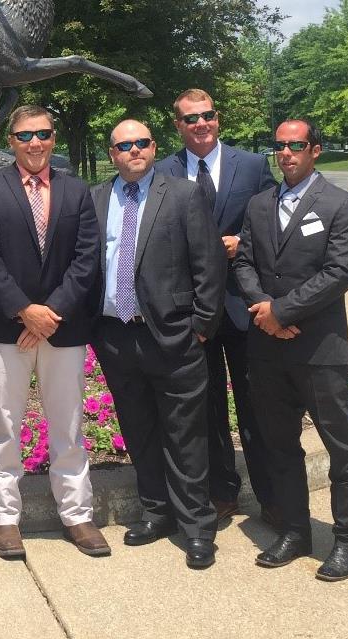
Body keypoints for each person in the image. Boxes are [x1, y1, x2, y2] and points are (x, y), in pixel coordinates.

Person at [0, 105, 108, 559]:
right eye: (25, 135)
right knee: (4, 424)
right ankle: (4, 517)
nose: (35, 143)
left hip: (63, 328)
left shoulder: (76, 190)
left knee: (67, 423)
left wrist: (51, 312)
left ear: (53, 139)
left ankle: (76, 514)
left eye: (43, 134)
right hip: (7, 325)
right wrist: (26, 312)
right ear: (11, 139)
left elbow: (87, 258)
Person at [233, 119, 348, 581]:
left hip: (319, 349)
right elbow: (245, 263)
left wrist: (282, 313)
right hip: (268, 350)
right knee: (279, 445)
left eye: (296, 145)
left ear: (316, 150)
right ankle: (295, 530)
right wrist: (263, 311)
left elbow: (339, 273)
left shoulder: (340, 204)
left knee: (341, 446)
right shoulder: (258, 205)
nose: (286, 153)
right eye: (280, 146)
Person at [89, 119, 225, 569]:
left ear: (154, 147)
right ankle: (156, 512)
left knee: (185, 434)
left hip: (172, 336)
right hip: (115, 336)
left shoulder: (184, 195)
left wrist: (202, 325)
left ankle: (197, 526)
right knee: (139, 430)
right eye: (124, 145)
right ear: (112, 153)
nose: (134, 151)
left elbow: (209, 265)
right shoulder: (96, 199)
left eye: (141, 143)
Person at [155, 89, 280, 527]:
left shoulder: (251, 166)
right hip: (193, 312)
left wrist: (242, 243)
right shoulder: (163, 171)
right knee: (205, 410)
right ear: (178, 125)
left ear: (217, 118)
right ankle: (222, 492)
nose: (200, 124)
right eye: (190, 119)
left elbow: (274, 222)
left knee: (256, 406)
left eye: (207, 116)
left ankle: (271, 498)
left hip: (244, 306)